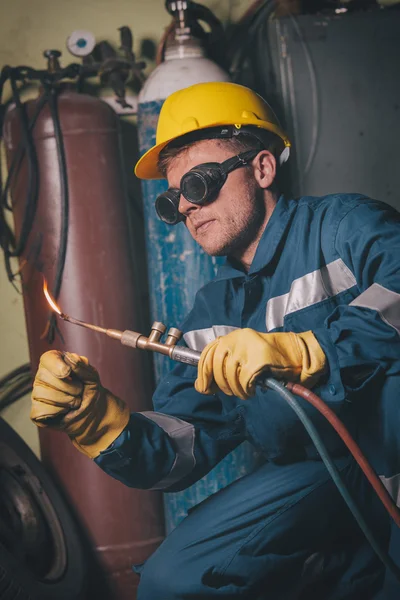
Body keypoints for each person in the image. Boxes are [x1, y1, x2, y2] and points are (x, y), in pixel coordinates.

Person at [30, 81, 400, 599]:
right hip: (317, 474)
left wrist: (310, 351)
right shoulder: (215, 310)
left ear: (263, 168)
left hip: (391, 446)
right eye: (172, 197)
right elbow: (184, 444)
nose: (185, 207)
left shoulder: (344, 227)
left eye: (200, 184)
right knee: (171, 579)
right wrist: (104, 427)